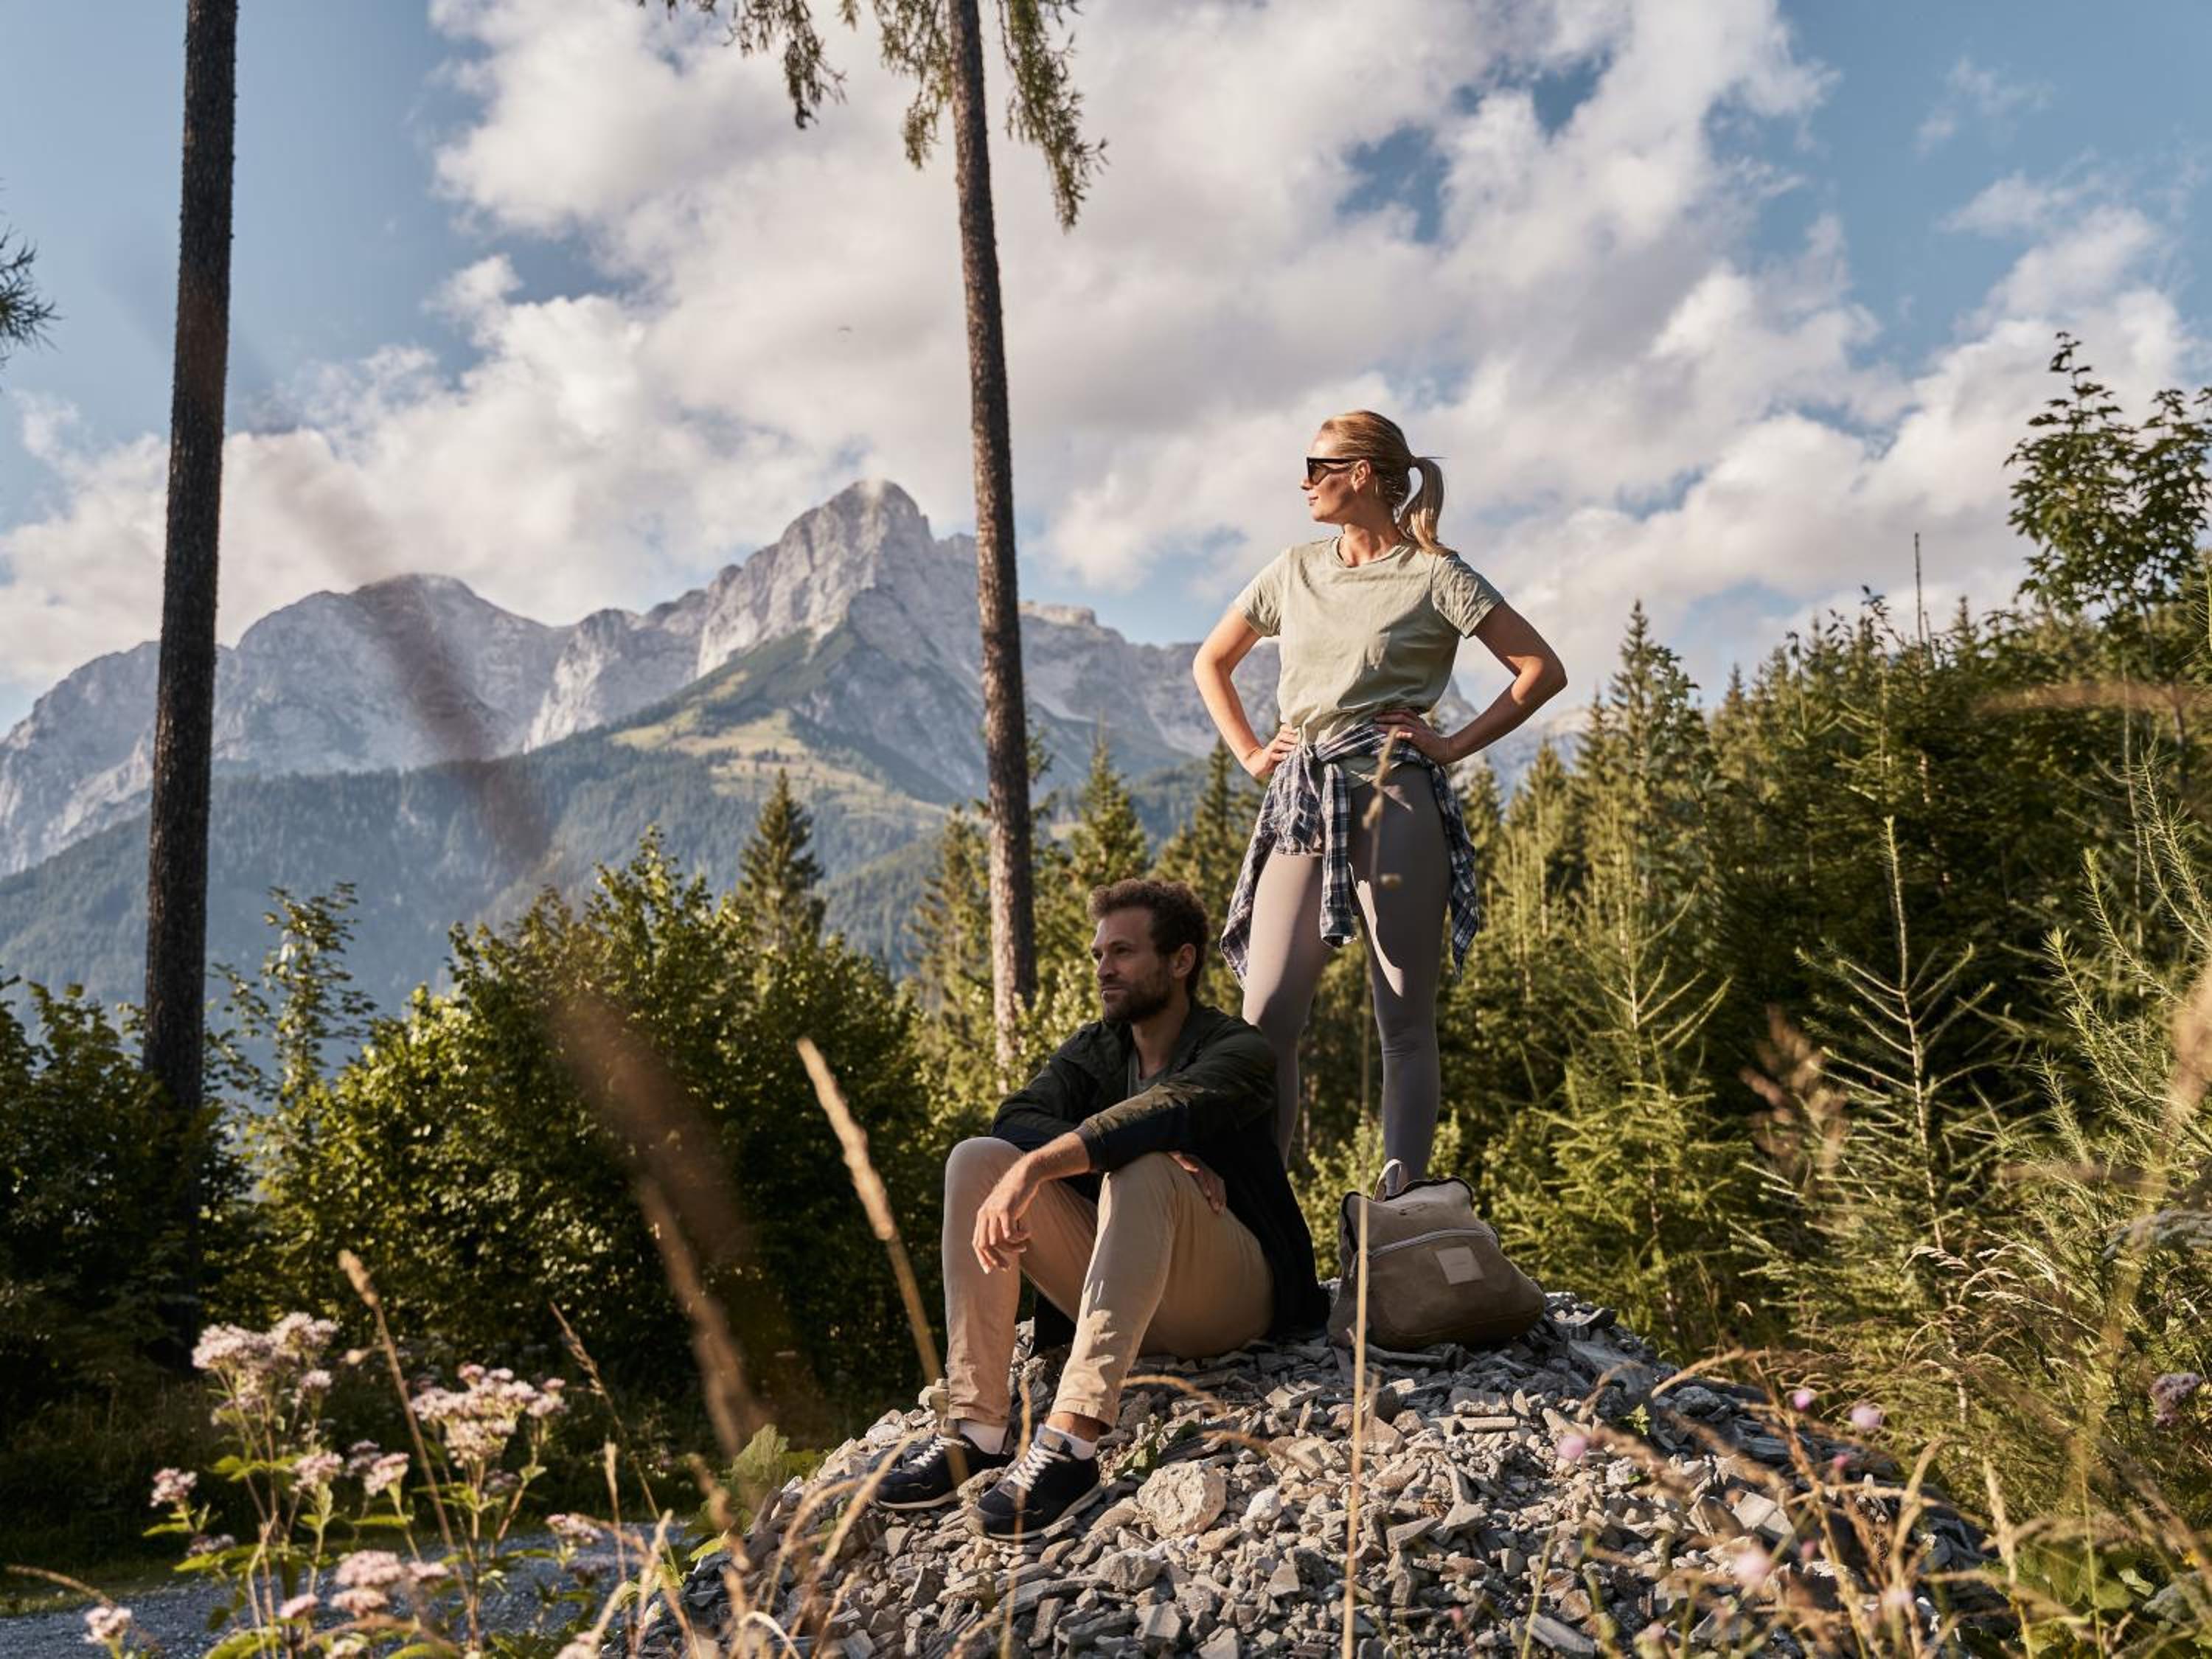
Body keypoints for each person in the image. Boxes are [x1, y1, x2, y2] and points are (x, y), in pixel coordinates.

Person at [874, 879, 1328, 1541]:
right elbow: (1017, 1117)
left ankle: (1072, 1444)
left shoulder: (1238, 1050)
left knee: (1140, 1164)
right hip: (1131, 1288)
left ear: (1181, 960)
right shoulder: (1099, 1049)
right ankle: (977, 1430)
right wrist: (1091, 1153)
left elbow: (1171, 1108)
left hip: (1228, 1296)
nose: (1103, 969)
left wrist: (1073, 1159)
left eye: (1123, 952)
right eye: (1098, 954)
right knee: (978, 1158)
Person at [1193, 409, 1568, 1186]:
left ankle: (1399, 1208)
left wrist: (1451, 745)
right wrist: (1255, 755)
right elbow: (1211, 663)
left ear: (1360, 474)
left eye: (1316, 467)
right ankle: (1261, 1208)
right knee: (1264, 1021)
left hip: (1398, 799)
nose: (1303, 482)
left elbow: (1541, 670)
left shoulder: (1436, 574)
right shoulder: (1293, 569)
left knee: (1402, 1021)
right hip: (1304, 798)